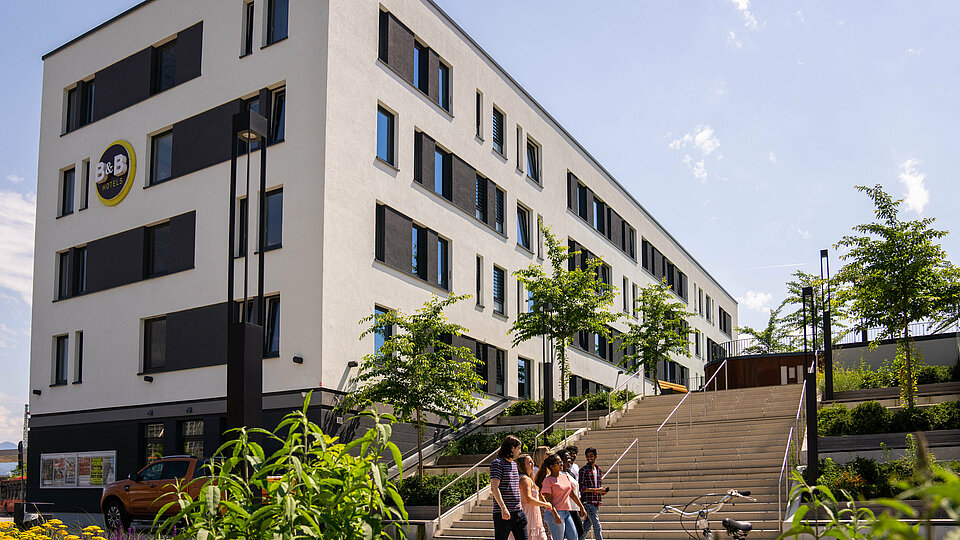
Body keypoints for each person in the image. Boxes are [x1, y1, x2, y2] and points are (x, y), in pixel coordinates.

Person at [539, 454, 587, 540]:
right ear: (552, 466)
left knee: (574, 537)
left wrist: (581, 507)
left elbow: (572, 494)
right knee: (558, 538)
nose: (561, 464)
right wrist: (555, 514)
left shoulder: (565, 476)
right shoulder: (548, 480)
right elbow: (548, 501)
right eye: (558, 462)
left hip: (566, 512)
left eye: (561, 462)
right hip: (554, 513)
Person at [490, 435, 527, 540]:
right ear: (512, 448)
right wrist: (503, 508)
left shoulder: (514, 465)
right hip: (503, 513)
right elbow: (494, 488)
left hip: (518, 512)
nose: (520, 451)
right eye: (519, 448)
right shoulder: (497, 463)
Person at [517, 453, 560, 540]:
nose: (533, 464)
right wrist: (545, 504)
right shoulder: (524, 479)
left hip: (533, 515)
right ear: (522, 465)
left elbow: (538, 495)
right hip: (528, 514)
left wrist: (546, 504)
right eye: (529, 462)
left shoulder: (528, 479)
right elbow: (528, 499)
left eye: (532, 461)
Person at [578, 447, 609, 540]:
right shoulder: (583, 470)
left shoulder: (598, 470)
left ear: (596, 456)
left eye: (591, 456)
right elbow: (582, 488)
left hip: (596, 501)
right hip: (588, 502)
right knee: (597, 525)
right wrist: (596, 490)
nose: (589, 458)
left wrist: (602, 492)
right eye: (587, 456)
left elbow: (597, 486)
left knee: (586, 526)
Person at [558, 450, 584, 538]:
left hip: (574, 508)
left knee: (578, 532)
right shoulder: (559, 475)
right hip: (566, 508)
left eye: (570, 458)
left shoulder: (570, 473)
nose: (569, 459)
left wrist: (580, 506)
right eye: (566, 458)